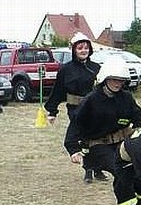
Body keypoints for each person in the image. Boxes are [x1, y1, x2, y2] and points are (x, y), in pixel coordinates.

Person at [74, 58, 141, 205]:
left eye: (121, 80)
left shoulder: (125, 98)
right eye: (114, 80)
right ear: (104, 79)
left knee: (137, 170)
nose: (118, 84)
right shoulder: (91, 100)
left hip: (121, 144)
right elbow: (76, 124)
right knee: (122, 172)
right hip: (97, 146)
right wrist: (74, 148)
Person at [44, 32, 108, 184]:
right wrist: (52, 111)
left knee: (97, 138)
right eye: (80, 48)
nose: (83, 51)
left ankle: (98, 168)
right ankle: (88, 169)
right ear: (74, 50)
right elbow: (58, 90)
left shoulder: (97, 68)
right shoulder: (66, 69)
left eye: (86, 48)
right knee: (84, 139)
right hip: (76, 109)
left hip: (95, 109)